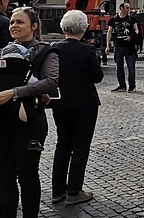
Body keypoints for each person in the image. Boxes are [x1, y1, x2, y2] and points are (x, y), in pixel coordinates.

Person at [0, 7, 59, 218]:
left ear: (34, 26)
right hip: (2, 122)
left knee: (27, 175)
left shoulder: (45, 52)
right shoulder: (2, 52)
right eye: (12, 21)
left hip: (29, 123)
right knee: (4, 177)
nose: (14, 25)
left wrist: (14, 92)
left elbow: (51, 82)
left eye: (20, 22)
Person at [51, 11, 104, 205]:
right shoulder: (87, 51)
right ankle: (73, 190)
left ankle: (57, 190)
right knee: (81, 146)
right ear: (84, 28)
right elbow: (97, 77)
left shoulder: (54, 48)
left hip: (61, 103)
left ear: (63, 28)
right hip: (85, 104)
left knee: (62, 144)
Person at [106, 3, 140, 92]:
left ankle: (132, 86)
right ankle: (122, 86)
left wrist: (131, 37)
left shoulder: (132, 19)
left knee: (131, 67)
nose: (129, 9)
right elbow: (109, 32)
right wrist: (107, 45)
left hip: (130, 47)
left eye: (129, 8)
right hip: (118, 46)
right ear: (121, 8)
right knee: (119, 67)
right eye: (127, 8)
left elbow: (136, 30)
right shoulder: (114, 19)